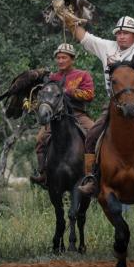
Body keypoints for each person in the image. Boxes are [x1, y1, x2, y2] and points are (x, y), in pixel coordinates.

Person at [53, 5, 134, 195]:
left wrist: (124, 75)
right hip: (114, 105)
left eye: (126, 33)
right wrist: (66, 17)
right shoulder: (107, 47)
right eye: (119, 33)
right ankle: (91, 178)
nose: (121, 36)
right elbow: (83, 36)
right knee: (92, 135)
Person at [29, 43, 95, 186]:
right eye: (58, 58)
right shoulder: (52, 77)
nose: (60, 61)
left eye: (64, 57)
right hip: (56, 117)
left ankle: (92, 174)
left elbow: (89, 95)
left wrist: (68, 91)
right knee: (40, 139)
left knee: (94, 133)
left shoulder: (82, 75)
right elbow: (45, 96)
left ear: (72, 59)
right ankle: (43, 173)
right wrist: (32, 103)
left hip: (78, 114)